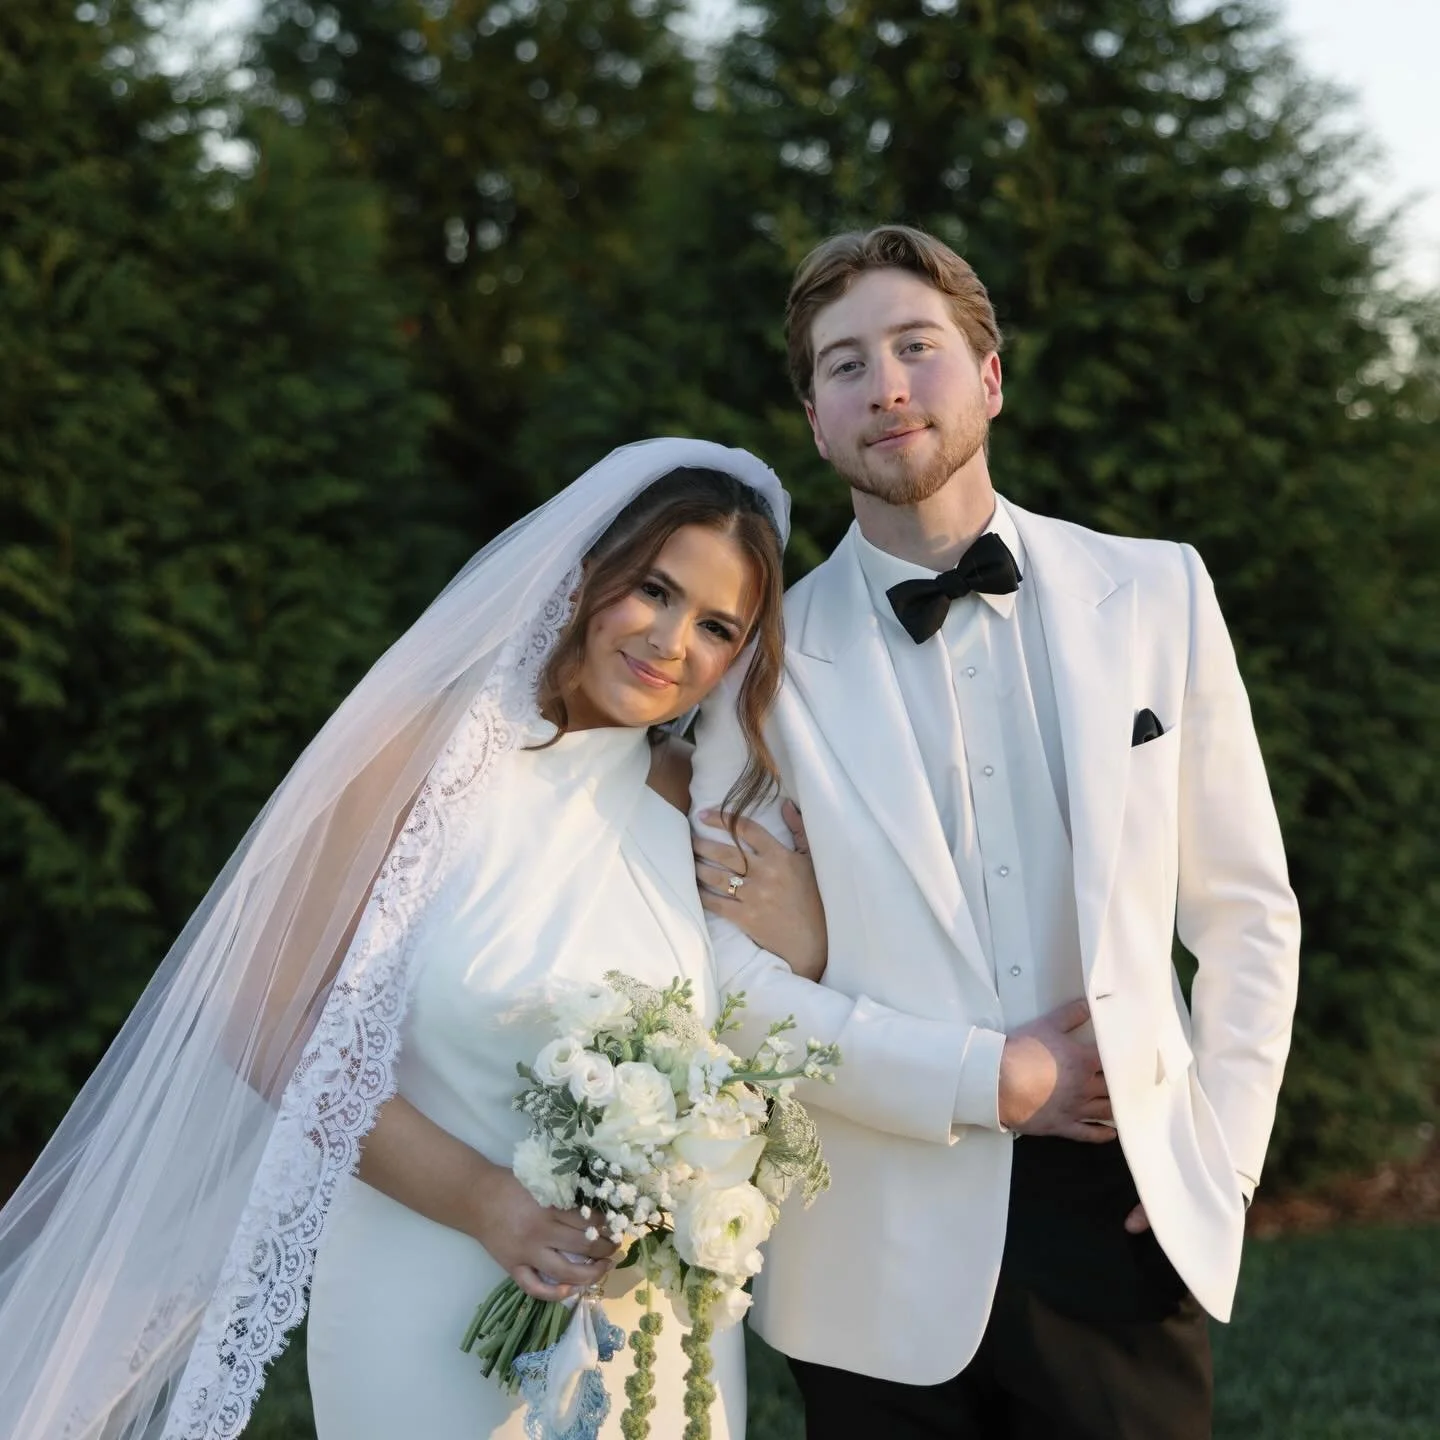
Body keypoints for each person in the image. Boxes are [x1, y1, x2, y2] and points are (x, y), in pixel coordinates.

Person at [0, 439, 825, 1440]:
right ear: (584, 572)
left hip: (647, 1327)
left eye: (716, 626)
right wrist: (484, 1202)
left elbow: (767, 1031)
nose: (669, 640)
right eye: (653, 589)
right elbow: (264, 1019)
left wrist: (802, 938)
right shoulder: (418, 751)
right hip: (424, 1282)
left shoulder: (697, 807)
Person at [691, 226, 1301, 1439]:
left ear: (991, 377)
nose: (887, 386)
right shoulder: (755, 666)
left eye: (916, 347)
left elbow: (1246, 909)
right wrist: (988, 1079)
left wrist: (1221, 1164)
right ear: (814, 420)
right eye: (846, 365)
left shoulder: (1160, 592)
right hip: (870, 1238)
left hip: (1120, 1204)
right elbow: (729, 981)